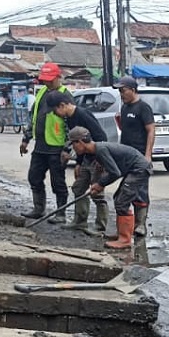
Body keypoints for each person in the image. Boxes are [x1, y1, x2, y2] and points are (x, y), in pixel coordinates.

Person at [67, 127, 151, 250]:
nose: (73, 148)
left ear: (80, 142)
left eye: (73, 144)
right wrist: (99, 183)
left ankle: (125, 240)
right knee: (118, 198)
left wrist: (100, 184)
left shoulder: (100, 150)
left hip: (139, 169)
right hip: (133, 169)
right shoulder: (95, 151)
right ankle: (121, 234)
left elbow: (115, 173)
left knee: (122, 202)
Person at [45, 91, 109, 236]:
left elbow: (101, 137)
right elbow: (77, 144)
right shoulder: (70, 118)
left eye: (55, 111)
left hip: (97, 159)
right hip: (85, 159)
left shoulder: (83, 115)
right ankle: (80, 221)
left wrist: (102, 160)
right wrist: (78, 163)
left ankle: (100, 227)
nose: (55, 114)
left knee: (97, 193)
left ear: (62, 105)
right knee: (78, 188)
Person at [19, 62, 70, 222]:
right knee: (34, 177)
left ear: (58, 77)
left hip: (56, 147)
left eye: (50, 80)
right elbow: (33, 118)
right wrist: (26, 139)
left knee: (58, 182)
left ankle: (61, 213)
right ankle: (38, 208)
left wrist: (67, 148)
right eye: (45, 80)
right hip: (40, 146)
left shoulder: (65, 95)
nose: (47, 82)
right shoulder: (41, 93)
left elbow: (71, 124)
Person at [114, 76, 156, 237]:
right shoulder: (125, 108)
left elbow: (151, 130)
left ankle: (141, 224)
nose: (121, 94)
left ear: (133, 90)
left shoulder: (143, 108)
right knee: (126, 190)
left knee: (141, 190)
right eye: (119, 91)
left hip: (140, 156)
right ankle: (126, 226)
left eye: (123, 91)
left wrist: (147, 155)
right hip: (126, 155)